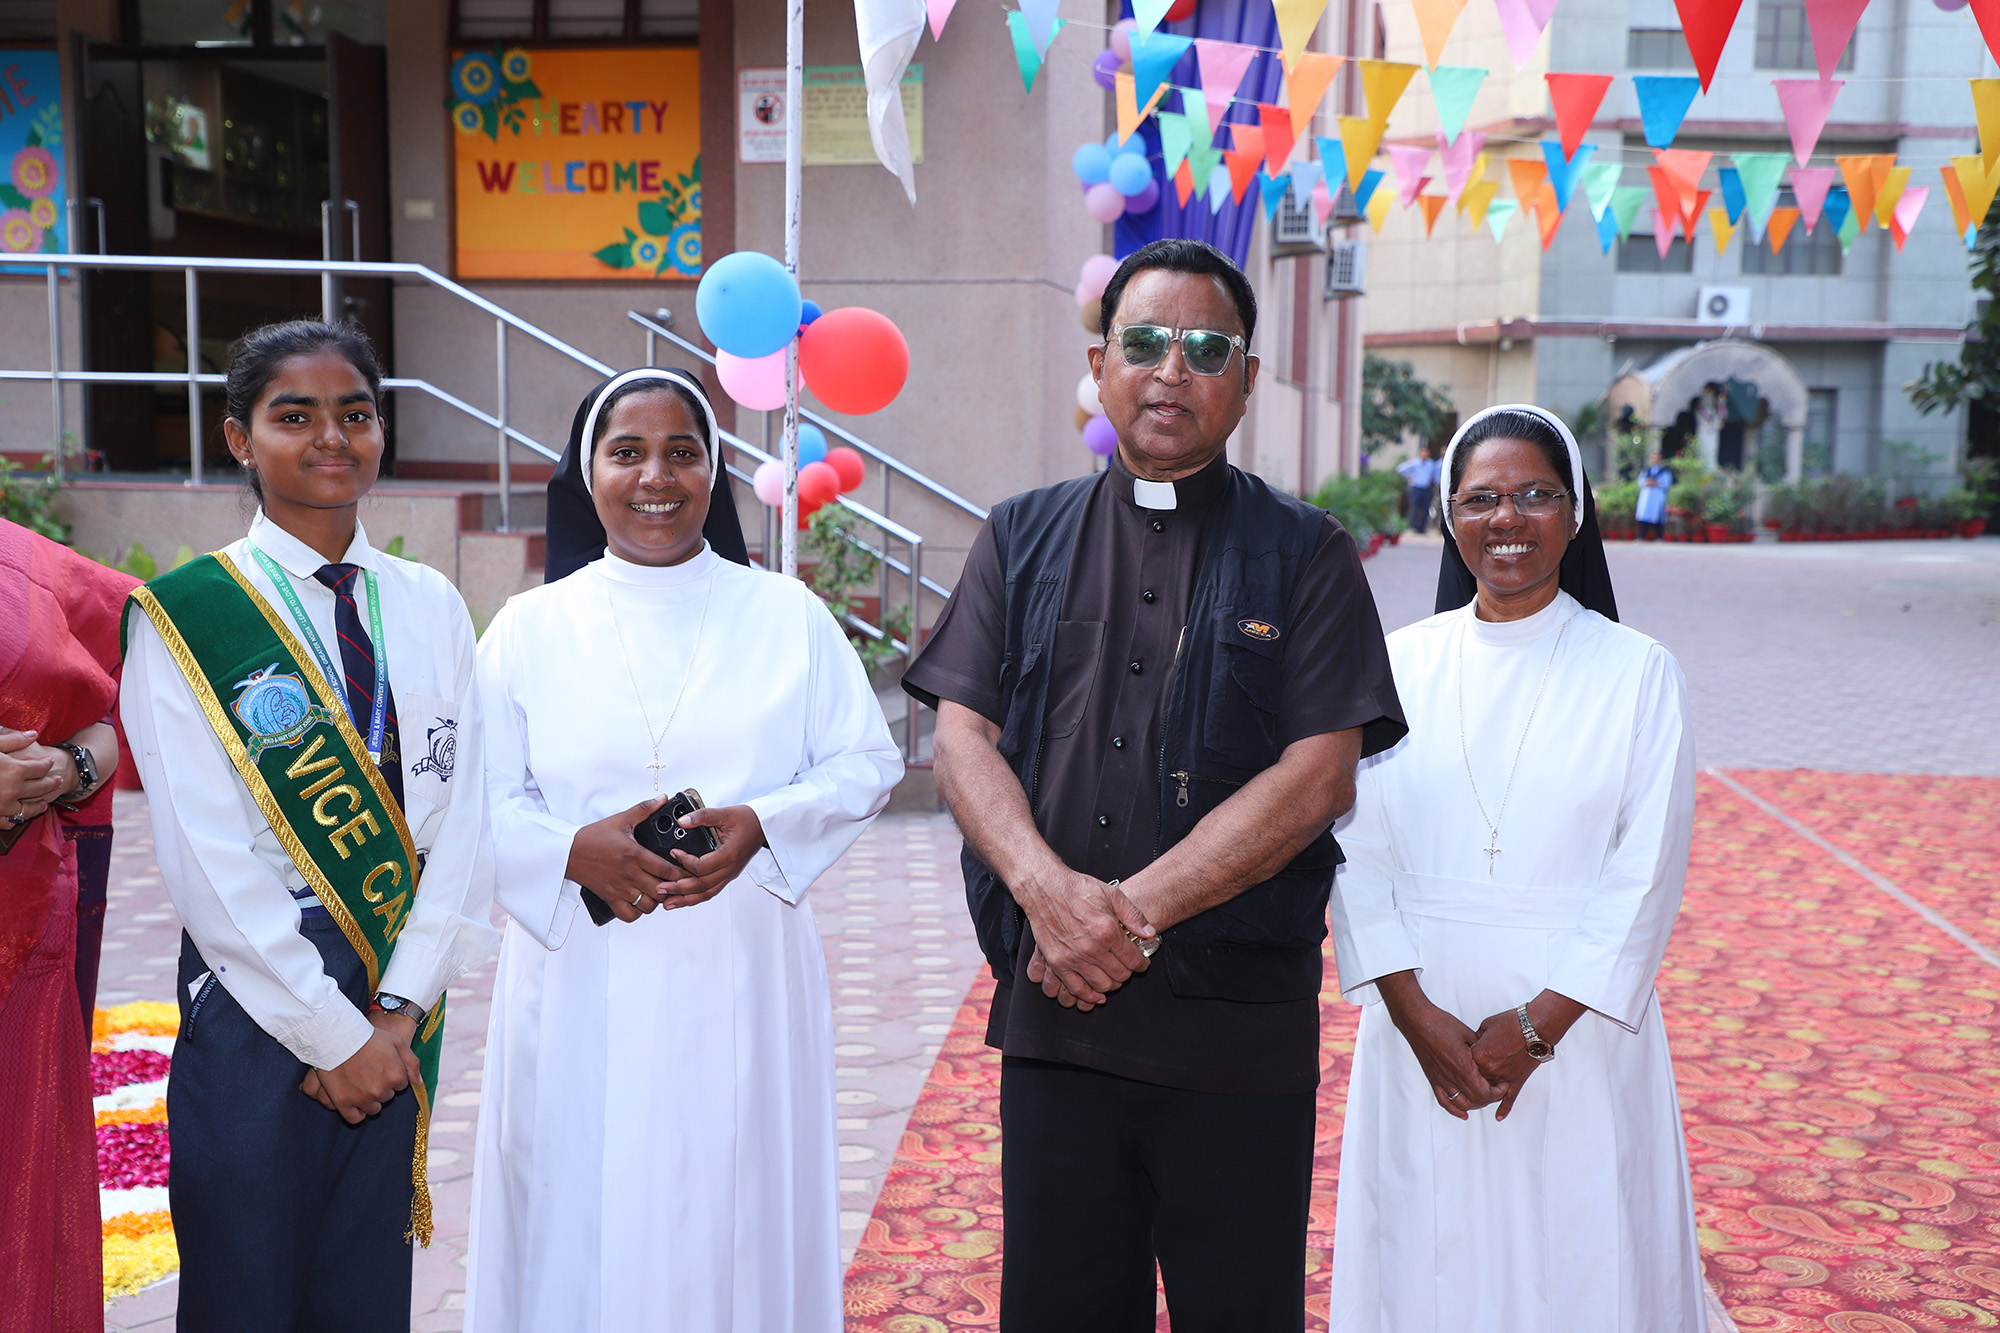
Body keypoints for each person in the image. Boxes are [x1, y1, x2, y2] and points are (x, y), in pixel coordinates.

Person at [902, 238, 1406, 1332]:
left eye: (1206, 349)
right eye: (1144, 342)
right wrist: (1047, 896)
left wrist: (1117, 919)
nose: (1172, 370)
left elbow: (1317, 777)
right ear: (1100, 364)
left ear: (1246, 379)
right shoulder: (1021, 533)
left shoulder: (1308, 554)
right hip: (1056, 1023)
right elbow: (962, 736)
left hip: (1232, 1036)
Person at [464, 369, 902, 1332]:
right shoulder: (529, 628)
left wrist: (765, 824)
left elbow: (867, 762)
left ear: (714, 471)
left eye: (682, 452)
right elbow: (472, 800)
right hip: (577, 972)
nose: (655, 476)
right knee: (576, 1208)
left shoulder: (787, 615)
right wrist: (570, 851)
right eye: (627, 452)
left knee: (734, 1205)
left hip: (742, 960)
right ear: (588, 474)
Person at [120, 319, 497, 1331]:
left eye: (355, 413)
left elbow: (467, 823)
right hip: (257, 995)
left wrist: (398, 1011)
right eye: (296, 416)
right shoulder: (187, 616)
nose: (333, 436)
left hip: (392, 981)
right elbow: (206, 862)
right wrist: (335, 1035)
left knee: (363, 1297)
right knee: (247, 1295)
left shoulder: (428, 604)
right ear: (239, 438)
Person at [1327, 405, 1702, 1333]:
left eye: (1536, 494)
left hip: (1579, 1019)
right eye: (1481, 498)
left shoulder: (1638, 671)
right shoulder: (1395, 662)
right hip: (1423, 1022)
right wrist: (1414, 1015)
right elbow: (1352, 848)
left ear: (1576, 513)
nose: (1507, 518)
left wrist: (1537, 1028)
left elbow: (1645, 872)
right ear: (1449, 516)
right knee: (1425, 1255)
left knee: (1579, 1253)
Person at [0, 517, 133, 1330]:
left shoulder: (29, 566)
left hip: (22, 944)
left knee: (22, 1211)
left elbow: (113, 708)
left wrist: (65, 766)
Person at [1396, 443, 1442, 535]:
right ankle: (1414, 527)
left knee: (1425, 507)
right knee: (1415, 507)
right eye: (1423, 453)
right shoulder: (1415, 463)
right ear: (1420, 454)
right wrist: (1410, 476)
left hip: (1426, 488)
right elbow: (1400, 469)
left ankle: (1422, 527)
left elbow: (1436, 474)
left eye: (1426, 453)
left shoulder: (1430, 464)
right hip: (1416, 487)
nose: (1424, 455)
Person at [1637, 450, 1675, 541]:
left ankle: (1659, 537)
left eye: (1657, 457)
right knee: (1644, 515)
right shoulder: (1646, 470)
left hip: (1657, 496)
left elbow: (1667, 484)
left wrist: (1656, 483)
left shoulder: (1664, 472)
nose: (1655, 459)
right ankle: (1642, 536)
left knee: (1657, 516)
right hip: (1646, 496)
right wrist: (1647, 482)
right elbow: (1640, 481)